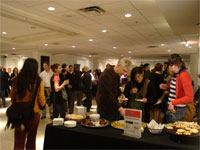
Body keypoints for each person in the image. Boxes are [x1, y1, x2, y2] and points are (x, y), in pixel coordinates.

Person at [10, 58, 46, 150]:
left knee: (19, 141)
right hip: (33, 113)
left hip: (19, 114)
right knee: (31, 140)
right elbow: (42, 100)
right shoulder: (38, 81)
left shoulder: (17, 80)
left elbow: (12, 97)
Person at [160, 54, 194, 123]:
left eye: (171, 65)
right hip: (172, 108)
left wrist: (173, 102)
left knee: (174, 131)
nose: (169, 67)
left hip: (178, 110)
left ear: (179, 64)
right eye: (170, 64)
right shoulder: (176, 74)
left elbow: (189, 97)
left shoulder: (184, 75)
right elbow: (177, 90)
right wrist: (167, 87)